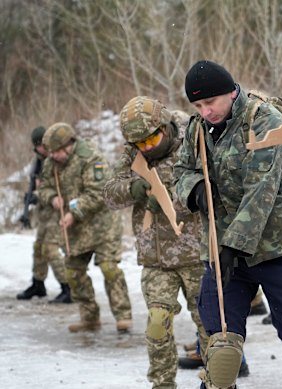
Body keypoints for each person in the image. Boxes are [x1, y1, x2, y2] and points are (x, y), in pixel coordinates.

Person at [174, 60, 282, 389]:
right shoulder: (197, 128)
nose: (206, 111)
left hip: (278, 249)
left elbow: (261, 192)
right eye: (198, 105)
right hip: (221, 251)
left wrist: (233, 245)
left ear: (231, 92)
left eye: (210, 102)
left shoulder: (264, 120)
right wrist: (196, 190)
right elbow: (182, 171)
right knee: (222, 358)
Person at [103, 96, 209, 388]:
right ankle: (162, 384)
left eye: (152, 140)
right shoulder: (133, 151)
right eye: (141, 144)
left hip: (197, 254)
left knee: (209, 327)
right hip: (156, 257)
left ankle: (217, 382)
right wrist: (132, 188)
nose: (148, 148)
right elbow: (110, 193)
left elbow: (215, 185)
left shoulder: (193, 137)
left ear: (165, 125)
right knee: (157, 324)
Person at [39, 122, 132, 333]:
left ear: (69, 145)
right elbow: (43, 188)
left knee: (109, 268)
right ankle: (89, 317)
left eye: (57, 152)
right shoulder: (51, 164)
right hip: (74, 231)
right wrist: (52, 198)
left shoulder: (91, 157)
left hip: (102, 225)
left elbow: (99, 191)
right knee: (73, 272)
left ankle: (123, 315)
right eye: (51, 153)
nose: (54, 156)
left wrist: (75, 211)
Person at [16, 126, 71, 303]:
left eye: (42, 145)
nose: (41, 149)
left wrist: (39, 194)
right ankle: (38, 283)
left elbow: (60, 186)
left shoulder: (59, 159)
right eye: (38, 146)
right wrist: (31, 197)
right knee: (39, 247)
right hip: (44, 211)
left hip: (58, 209)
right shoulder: (39, 161)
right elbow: (37, 184)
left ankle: (67, 287)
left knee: (51, 249)